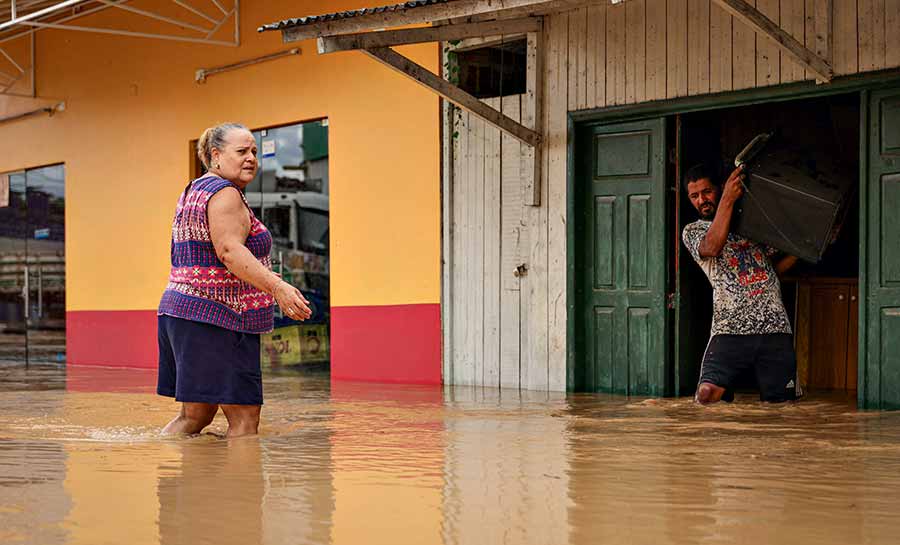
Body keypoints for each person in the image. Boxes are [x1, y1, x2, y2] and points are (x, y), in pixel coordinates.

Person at [157, 122, 312, 436]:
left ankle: (170, 474)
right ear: (216, 155)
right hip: (219, 316)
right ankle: (239, 485)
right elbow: (229, 250)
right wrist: (277, 286)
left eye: (254, 151)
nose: (251, 157)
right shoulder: (225, 193)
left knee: (194, 418)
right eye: (241, 151)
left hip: (183, 313)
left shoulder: (194, 190)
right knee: (244, 419)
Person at [682, 163, 799, 404]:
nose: (701, 200)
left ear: (719, 188)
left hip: (775, 329)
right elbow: (712, 248)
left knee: (784, 409)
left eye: (707, 192)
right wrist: (727, 199)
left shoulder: (752, 226)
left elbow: (770, 271)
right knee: (705, 397)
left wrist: (807, 248)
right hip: (729, 330)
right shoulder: (694, 231)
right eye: (694, 196)